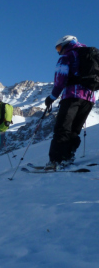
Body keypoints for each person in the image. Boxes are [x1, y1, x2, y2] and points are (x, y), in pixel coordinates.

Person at [44, 35, 95, 170]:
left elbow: (61, 79)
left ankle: (55, 161)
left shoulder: (67, 56)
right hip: (89, 99)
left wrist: (52, 97)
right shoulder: (88, 54)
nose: (58, 51)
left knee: (62, 129)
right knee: (74, 130)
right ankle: (67, 158)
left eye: (59, 47)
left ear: (66, 44)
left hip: (72, 96)